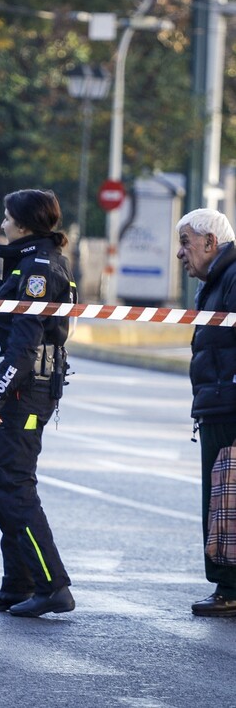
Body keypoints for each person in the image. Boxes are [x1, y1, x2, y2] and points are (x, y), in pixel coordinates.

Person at [0, 189, 77, 617]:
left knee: (13, 487)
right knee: (1, 488)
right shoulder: (28, 262)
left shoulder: (38, 269)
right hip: (24, 386)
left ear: (26, 226)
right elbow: (1, 325)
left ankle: (53, 586)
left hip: (26, 390)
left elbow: (25, 347)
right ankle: (19, 584)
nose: (2, 224)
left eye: (8, 218)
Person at [176, 207, 236, 617]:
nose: (181, 254)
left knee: (223, 498)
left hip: (228, 404)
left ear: (211, 243)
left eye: (186, 243)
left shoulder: (231, 278)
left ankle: (228, 588)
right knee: (221, 495)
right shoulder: (217, 280)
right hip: (217, 403)